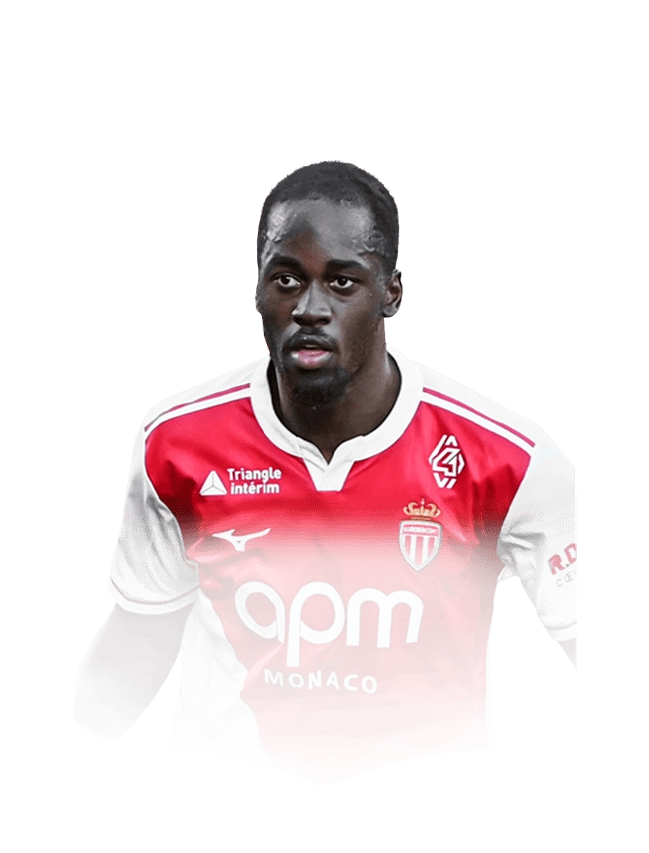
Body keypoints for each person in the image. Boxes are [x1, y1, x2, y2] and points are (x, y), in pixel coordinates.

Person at [73, 160, 578, 786]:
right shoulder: (177, 447)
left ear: (391, 292)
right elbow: (141, 635)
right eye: (287, 279)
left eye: (342, 282)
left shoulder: (508, 460)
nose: (309, 308)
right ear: (258, 290)